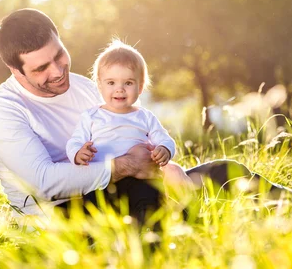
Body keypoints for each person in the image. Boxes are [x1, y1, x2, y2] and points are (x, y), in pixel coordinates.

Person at [0, 8, 292, 222]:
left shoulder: (87, 86)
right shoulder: (3, 110)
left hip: (119, 187)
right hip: (59, 216)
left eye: (59, 55)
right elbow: (44, 184)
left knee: (223, 171)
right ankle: (181, 245)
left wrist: (158, 161)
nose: (58, 71)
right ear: (14, 69)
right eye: (40, 68)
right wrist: (125, 166)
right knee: (148, 195)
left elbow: (131, 133)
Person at [65, 40, 196, 198]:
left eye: (128, 83)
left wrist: (164, 149)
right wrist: (79, 153)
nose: (119, 89)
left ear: (140, 87)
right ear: (100, 86)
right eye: (111, 82)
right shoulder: (91, 116)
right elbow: (74, 142)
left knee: (172, 175)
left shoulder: (144, 117)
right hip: (106, 182)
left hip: (142, 180)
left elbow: (165, 139)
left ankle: (188, 209)